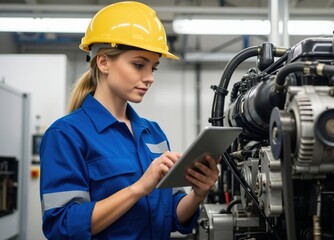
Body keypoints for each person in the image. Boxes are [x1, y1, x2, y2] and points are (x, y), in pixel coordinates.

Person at [39, 1, 220, 239]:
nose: (149, 78)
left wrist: (198, 193)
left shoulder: (153, 133)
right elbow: (62, 225)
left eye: (153, 67)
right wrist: (137, 189)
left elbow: (174, 216)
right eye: (138, 65)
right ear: (103, 62)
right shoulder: (66, 135)